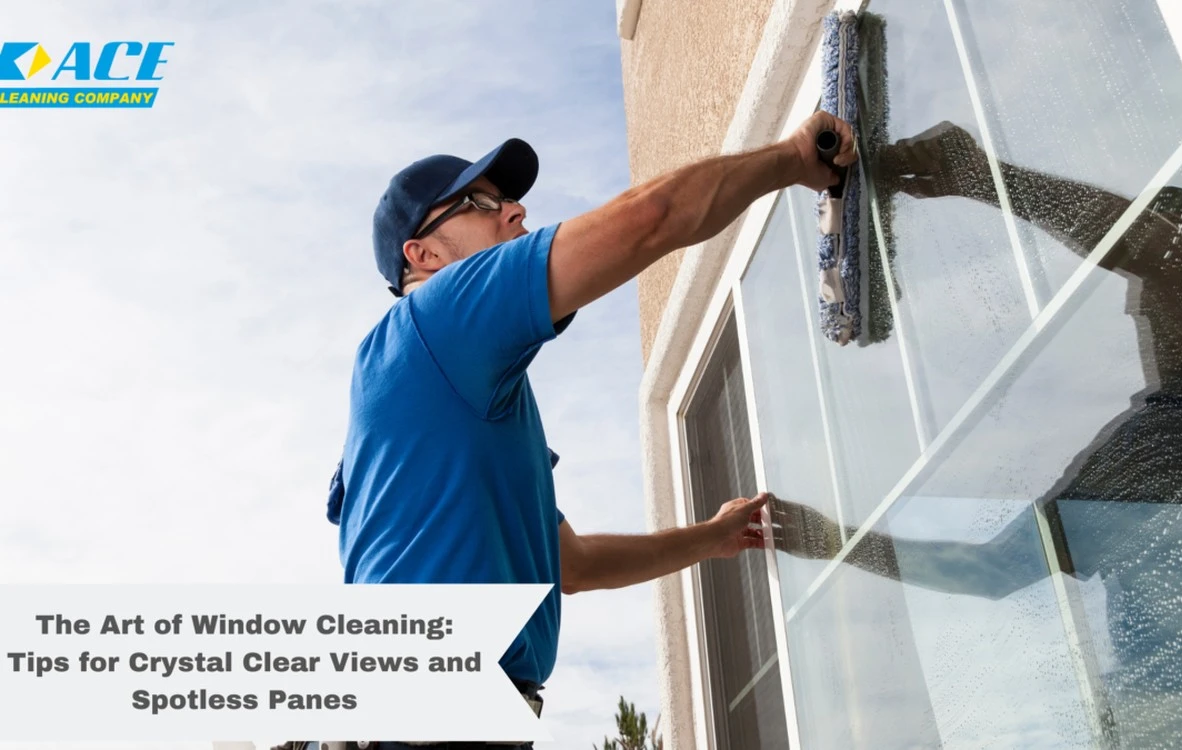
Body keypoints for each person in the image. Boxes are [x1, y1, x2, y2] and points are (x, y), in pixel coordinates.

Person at [312, 110, 858, 749]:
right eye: (482, 202)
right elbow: (649, 219)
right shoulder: (436, 321)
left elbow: (572, 563)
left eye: (510, 198)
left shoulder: (462, 402)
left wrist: (710, 538)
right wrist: (794, 160)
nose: (514, 212)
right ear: (424, 255)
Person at [774, 121, 1182, 748]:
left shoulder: (1157, 445)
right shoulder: (1144, 451)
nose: (1133, 309)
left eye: (1151, 292)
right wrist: (836, 543)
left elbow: (1164, 254)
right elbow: (994, 571)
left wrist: (988, 178)